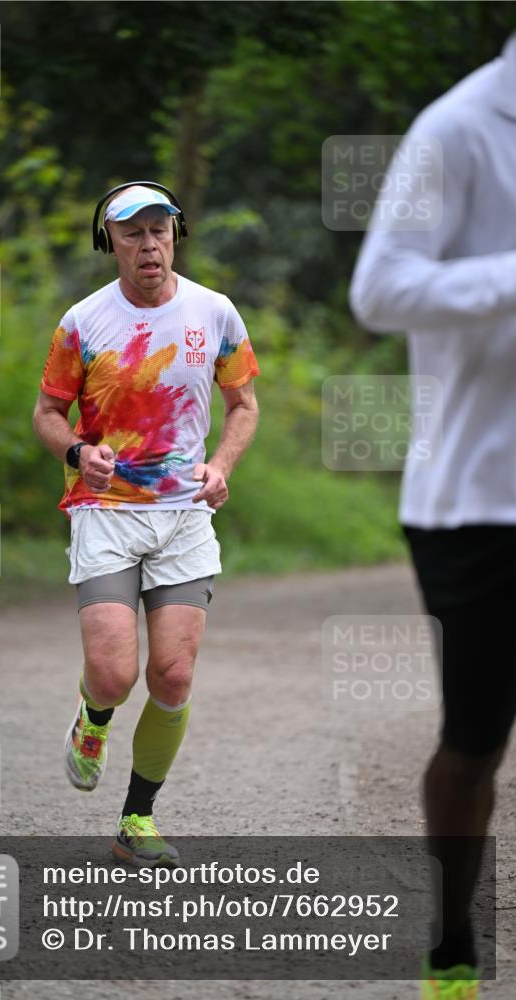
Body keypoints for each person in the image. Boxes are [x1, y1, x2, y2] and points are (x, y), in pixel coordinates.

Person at [350, 34, 516, 1000]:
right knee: (475, 739)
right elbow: (379, 289)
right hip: (475, 500)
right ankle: (451, 942)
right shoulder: (453, 130)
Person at [33, 182, 259, 866]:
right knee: (111, 675)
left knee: (173, 676)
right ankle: (93, 719)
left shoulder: (214, 312)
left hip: (184, 517)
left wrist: (220, 465)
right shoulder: (82, 321)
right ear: (111, 244)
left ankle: (136, 820)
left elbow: (242, 404)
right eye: (131, 233)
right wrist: (76, 451)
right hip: (105, 513)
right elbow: (46, 413)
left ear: (175, 236)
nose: (148, 244)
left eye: (158, 230)